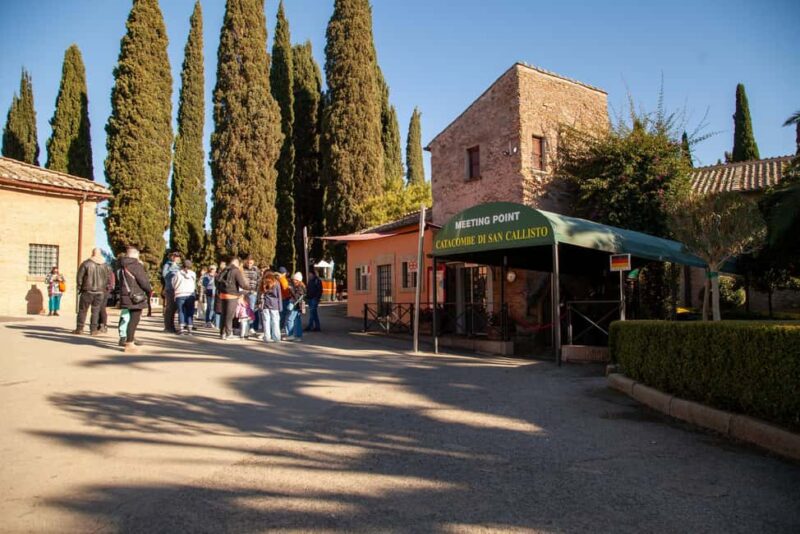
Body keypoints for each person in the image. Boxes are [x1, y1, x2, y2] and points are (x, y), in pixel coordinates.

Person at [117, 246, 152, 353]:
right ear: (135, 254)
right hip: (136, 296)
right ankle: (130, 343)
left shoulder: (122, 266)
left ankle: (128, 339)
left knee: (129, 318)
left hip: (126, 295)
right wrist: (149, 289)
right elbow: (143, 281)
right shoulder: (136, 265)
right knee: (134, 320)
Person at [73, 248, 111, 335]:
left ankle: (79, 328)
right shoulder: (106, 266)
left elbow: (79, 277)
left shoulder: (86, 264)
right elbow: (108, 279)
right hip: (100, 291)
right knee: (96, 311)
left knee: (82, 310)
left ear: (92, 253)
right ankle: (93, 330)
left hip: (87, 290)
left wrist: (79, 288)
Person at [216, 257, 249, 340]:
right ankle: (229, 333)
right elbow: (242, 284)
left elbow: (217, 280)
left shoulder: (224, 270)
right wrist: (249, 288)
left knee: (223, 315)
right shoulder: (236, 271)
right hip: (232, 295)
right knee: (229, 316)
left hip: (223, 294)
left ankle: (222, 333)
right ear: (236, 263)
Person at [172, 259, 197, 335]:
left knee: (181, 312)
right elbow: (194, 283)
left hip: (180, 294)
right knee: (190, 312)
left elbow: (174, 283)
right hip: (190, 294)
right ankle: (190, 329)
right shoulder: (193, 274)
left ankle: (181, 329)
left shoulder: (178, 273)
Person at [258, 271, 282, 343]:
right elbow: (279, 295)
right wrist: (280, 306)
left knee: (266, 321)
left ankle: (267, 337)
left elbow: (260, 294)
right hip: (274, 304)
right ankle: (276, 337)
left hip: (265, 304)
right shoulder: (276, 283)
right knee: (275, 321)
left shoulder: (263, 283)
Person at [161, 251, 181, 333]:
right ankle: (167, 327)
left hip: (177, 289)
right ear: (172, 257)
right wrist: (172, 269)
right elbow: (164, 275)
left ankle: (172, 327)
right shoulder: (167, 265)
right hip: (170, 289)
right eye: (175, 256)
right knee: (169, 308)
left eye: (178, 257)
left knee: (174, 308)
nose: (177, 258)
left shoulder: (179, 267)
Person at [242, 255, 261, 335]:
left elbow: (259, 280)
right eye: (248, 262)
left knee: (252, 310)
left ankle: (251, 327)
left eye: (251, 263)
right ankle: (244, 327)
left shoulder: (256, 269)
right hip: (244, 292)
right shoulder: (243, 269)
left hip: (253, 292)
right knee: (243, 310)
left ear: (253, 262)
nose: (249, 264)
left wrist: (256, 291)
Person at [286, 272, 306, 342]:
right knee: (297, 321)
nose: (293, 280)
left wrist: (291, 289)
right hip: (297, 306)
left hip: (296, 305)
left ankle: (290, 334)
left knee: (290, 319)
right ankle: (298, 336)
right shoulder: (299, 286)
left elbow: (296, 297)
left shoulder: (300, 287)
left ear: (298, 280)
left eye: (294, 279)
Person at [277, 267, 291, 336]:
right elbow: (286, 290)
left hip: (280, 298)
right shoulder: (283, 280)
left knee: (281, 314)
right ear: (284, 273)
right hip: (285, 298)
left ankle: (280, 327)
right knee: (284, 314)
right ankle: (281, 327)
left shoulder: (277, 279)